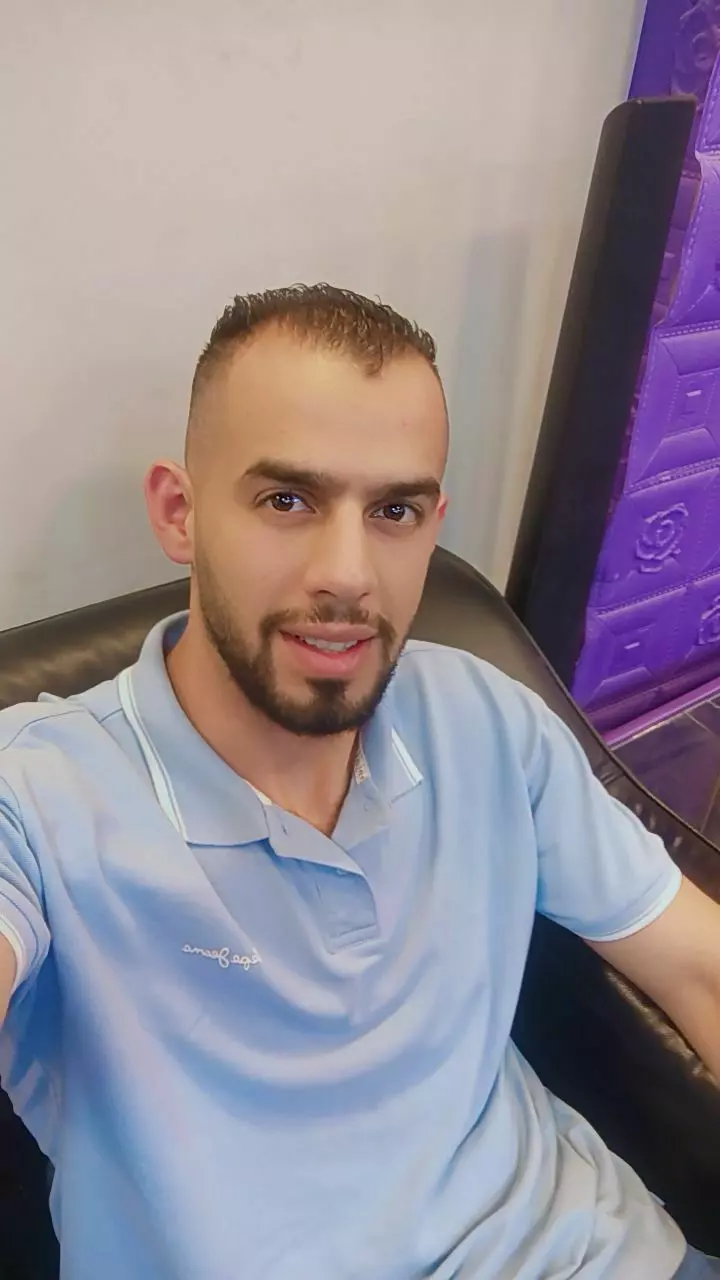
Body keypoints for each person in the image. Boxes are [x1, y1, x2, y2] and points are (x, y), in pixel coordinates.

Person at [0, 285, 719, 1280]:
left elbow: (700, 965)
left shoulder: (485, 719)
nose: (349, 572)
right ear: (180, 511)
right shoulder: (40, 791)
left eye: (394, 511)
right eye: (287, 500)